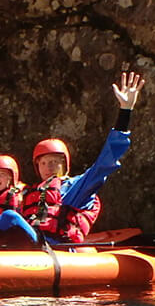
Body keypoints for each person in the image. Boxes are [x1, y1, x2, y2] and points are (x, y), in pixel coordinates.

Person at [21, 71, 146, 244]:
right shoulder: (29, 193)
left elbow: (106, 161)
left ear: (64, 166)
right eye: (43, 163)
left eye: (54, 162)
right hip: (25, 244)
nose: (48, 166)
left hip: (55, 246)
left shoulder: (76, 187)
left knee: (10, 217)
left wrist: (125, 112)